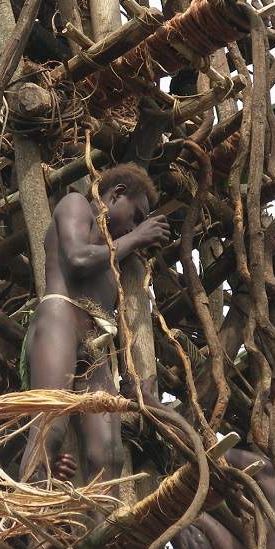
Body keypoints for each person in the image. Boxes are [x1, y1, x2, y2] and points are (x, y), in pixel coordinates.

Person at [18, 164, 168, 506]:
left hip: (97, 345)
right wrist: (138, 237)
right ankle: (33, 528)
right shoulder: (76, 205)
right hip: (60, 317)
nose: (136, 224)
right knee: (49, 424)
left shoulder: (116, 253)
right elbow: (76, 259)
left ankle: (104, 537)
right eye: (137, 214)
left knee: (109, 452)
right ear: (115, 195)